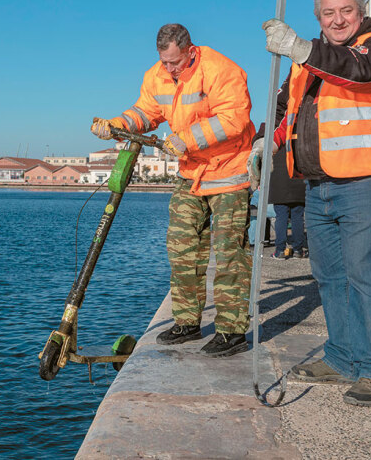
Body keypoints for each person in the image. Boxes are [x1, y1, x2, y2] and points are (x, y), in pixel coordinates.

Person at [256, 0, 371, 406]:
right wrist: (266, 142)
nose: (338, 19)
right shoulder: (309, 65)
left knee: (363, 275)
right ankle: (341, 357)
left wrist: (300, 48)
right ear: (318, 16)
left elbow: (359, 71)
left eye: (346, 11)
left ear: (360, 12)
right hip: (317, 185)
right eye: (328, 13)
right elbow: (288, 108)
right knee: (330, 276)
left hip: (361, 182)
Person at [90, 23, 255, 358]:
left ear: (190, 50)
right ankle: (186, 322)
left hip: (228, 173)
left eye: (175, 63)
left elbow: (234, 118)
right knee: (182, 250)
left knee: (228, 255)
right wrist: (117, 126)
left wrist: (187, 139)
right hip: (190, 173)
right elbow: (145, 112)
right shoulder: (157, 76)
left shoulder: (221, 69)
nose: (170, 69)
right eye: (165, 63)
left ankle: (231, 330)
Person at [252, 124, 307, 259]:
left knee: (280, 216)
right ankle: (298, 250)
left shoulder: (268, 126)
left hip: (278, 180)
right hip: (297, 178)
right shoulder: (298, 123)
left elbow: (256, 144)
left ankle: (280, 250)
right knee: (297, 216)